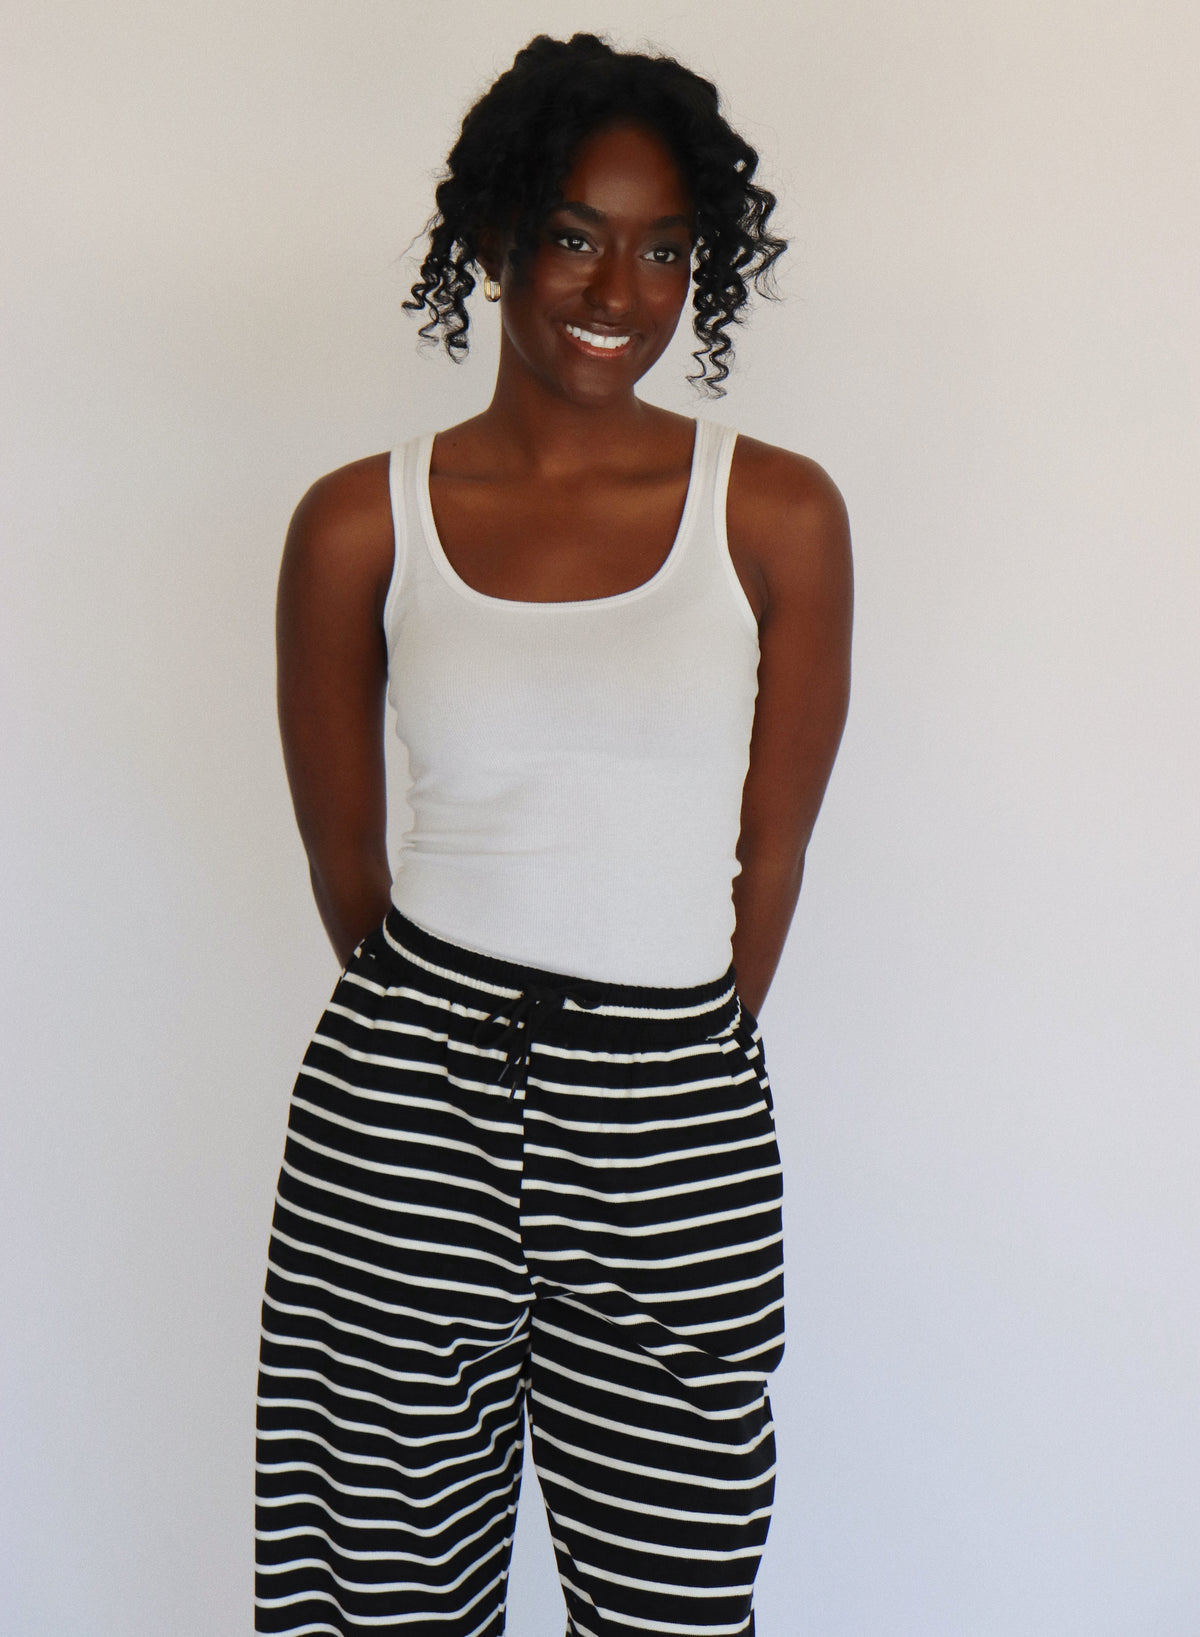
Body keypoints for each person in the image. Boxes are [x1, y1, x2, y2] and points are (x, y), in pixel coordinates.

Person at [256, 32, 852, 1637]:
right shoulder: (359, 521)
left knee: (675, 1601)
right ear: (496, 233)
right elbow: (342, 861)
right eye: (579, 233)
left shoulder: (778, 515)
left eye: (666, 249)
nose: (619, 289)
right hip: (407, 1107)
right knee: (374, 1595)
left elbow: (774, 854)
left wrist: (662, 1048)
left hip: (676, 1113)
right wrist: (454, 1026)